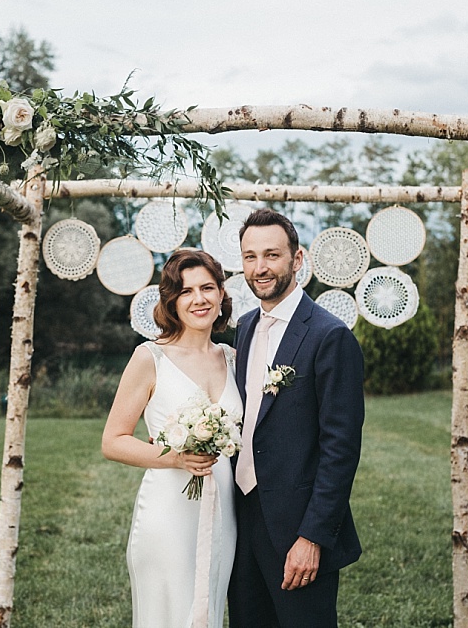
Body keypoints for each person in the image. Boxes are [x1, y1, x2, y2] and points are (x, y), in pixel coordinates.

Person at [228, 208, 366, 628]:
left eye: (271, 255)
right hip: (243, 516)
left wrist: (312, 537)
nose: (260, 268)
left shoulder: (330, 336)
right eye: (250, 257)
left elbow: (340, 449)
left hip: (298, 526)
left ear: (297, 259)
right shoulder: (247, 326)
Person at [102, 249, 242, 628]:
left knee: (209, 610)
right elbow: (113, 440)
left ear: (221, 295)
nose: (199, 299)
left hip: (223, 510)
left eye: (208, 288)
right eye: (186, 291)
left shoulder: (232, 357)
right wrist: (174, 459)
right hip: (169, 510)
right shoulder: (150, 357)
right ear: (172, 301)